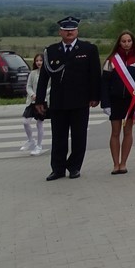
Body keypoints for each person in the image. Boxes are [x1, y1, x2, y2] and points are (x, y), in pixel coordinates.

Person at [35, 16, 101, 181]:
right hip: (59, 101)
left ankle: (74, 167)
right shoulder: (51, 51)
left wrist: (95, 96)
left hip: (80, 101)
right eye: (66, 30)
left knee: (79, 137)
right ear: (60, 32)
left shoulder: (88, 49)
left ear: (77, 31)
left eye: (72, 29)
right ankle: (57, 169)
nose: (69, 32)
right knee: (59, 137)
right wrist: (40, 100)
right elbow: (44, 78)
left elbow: (94, 75)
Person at [100, 31, 135, 174]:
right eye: (123, 41)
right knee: (115, 132)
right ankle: (115, 164)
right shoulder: (111, 60)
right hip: (115, 101)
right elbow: (104, 84)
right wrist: (105, 104)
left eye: (129, 41)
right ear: (119, 43)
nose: (126, 44)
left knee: (128, 132)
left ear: (133, 42)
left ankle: (123, 163)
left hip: (131, 101)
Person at [21, 53, 47, 156]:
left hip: (43, 101)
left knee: (39, 123)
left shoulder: (48, 74)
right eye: (37, 61)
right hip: (32, 101)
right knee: (25, 121)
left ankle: (39, 146)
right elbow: (28, 86)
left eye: (41, 60)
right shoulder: (33, 73)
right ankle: (31, 140)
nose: (39, 62)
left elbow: (50, 87)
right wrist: (32, 94)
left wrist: (41, 95)